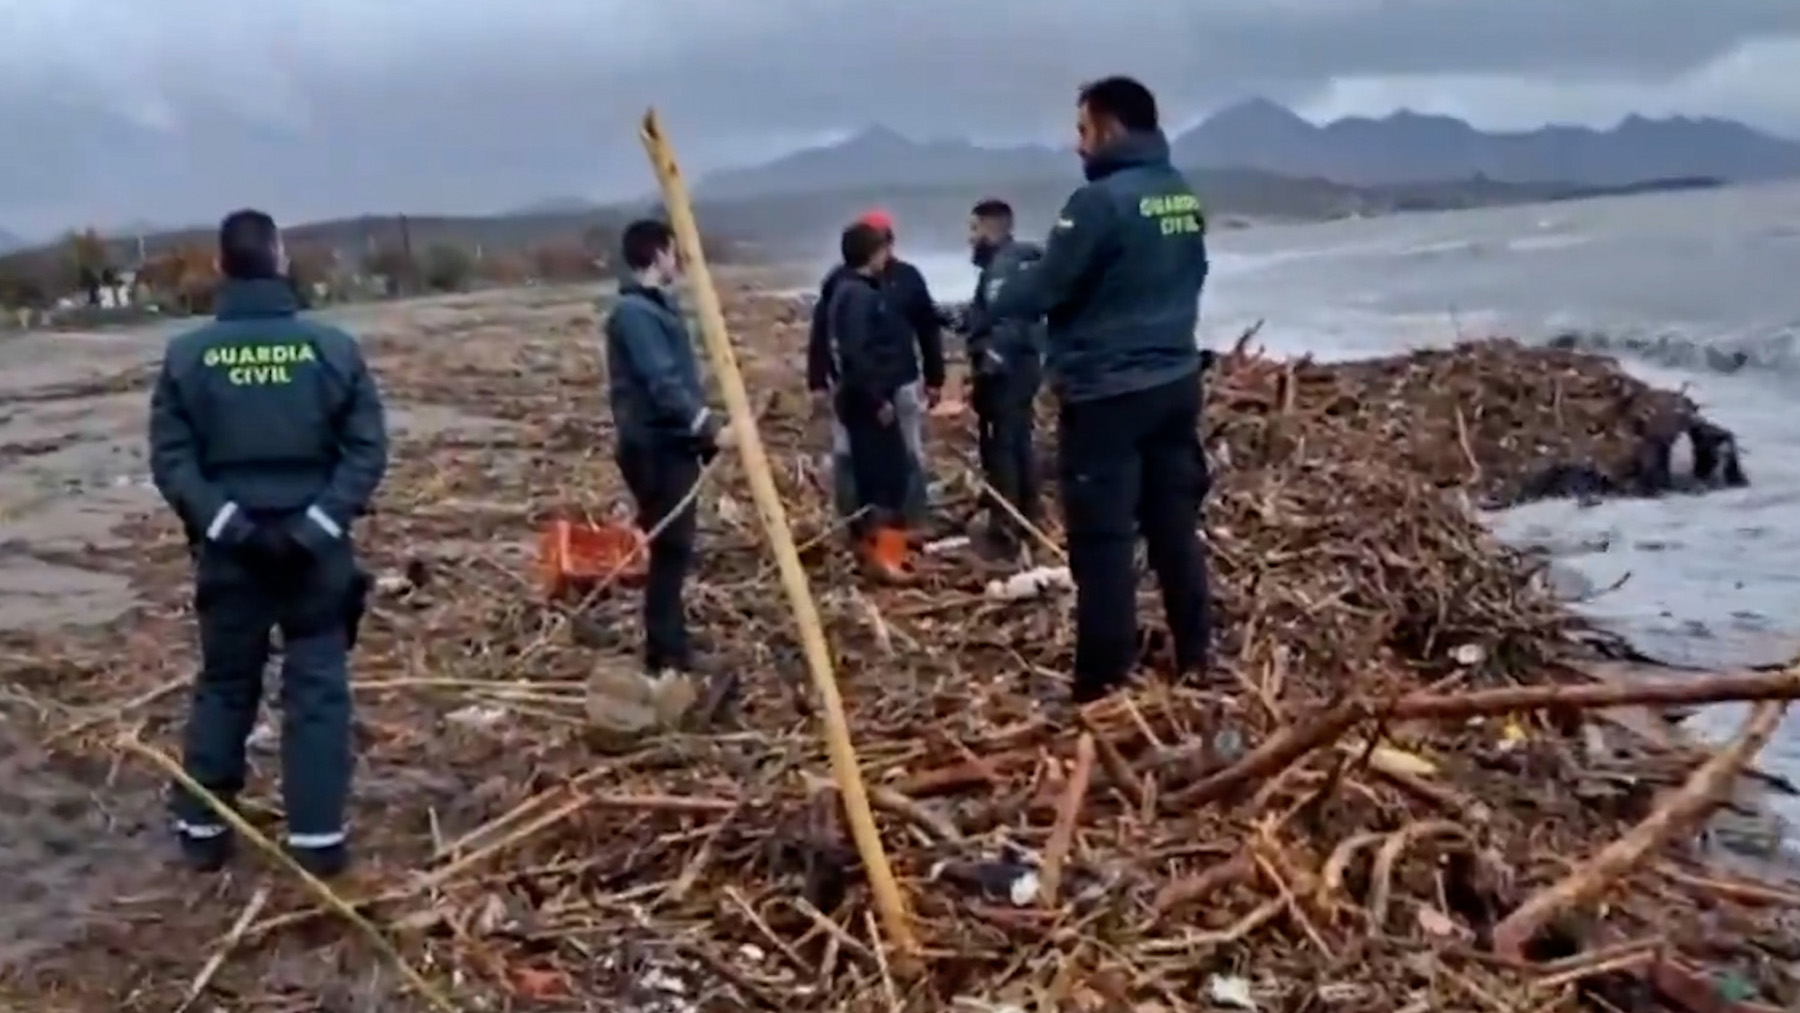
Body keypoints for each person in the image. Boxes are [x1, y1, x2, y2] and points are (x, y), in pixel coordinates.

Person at [148, 208, 388, 876]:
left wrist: (231, 527)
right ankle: (316, 842)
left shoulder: (186, 356)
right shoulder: (333, 348)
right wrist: (316, 527)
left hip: (230, 555)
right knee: (317, 687)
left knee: (226, 684)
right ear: (281, 260)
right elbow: (366, 450)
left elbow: (172, 460)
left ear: (221, 267)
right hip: (316, 557)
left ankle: (201, 829)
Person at [986, 76, 1212, 703]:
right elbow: (1194, 272)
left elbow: (1050, 284)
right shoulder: (1180, 194)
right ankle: (1197, 654)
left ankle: (1101, 681)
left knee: (1103, 540)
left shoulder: (1097, 204)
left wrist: (992, 306)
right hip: (1175, 379)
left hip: (1108, 392)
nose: (1077, 143)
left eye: (1083, 129)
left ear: (1110, 128)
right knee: (1173, 524)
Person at [605, 219, 735, 680]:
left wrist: (700, 433)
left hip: (671, 443)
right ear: (657, 253)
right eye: (672, 251)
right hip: (655, 447)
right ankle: (666, 652)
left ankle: (669, 641)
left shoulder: (656, 307)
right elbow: (661, 382)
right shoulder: (634, 314)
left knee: (673, 547)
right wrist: (707, 427)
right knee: (671, 548)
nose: (677, 259)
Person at [806, 209, 946, 527]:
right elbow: (827, 336)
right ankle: (858, 523)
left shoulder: (908, 277)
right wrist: (818, 379)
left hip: (901, 382)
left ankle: (908, 522)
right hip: (861, 389)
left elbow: (928, 327)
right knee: (851, 454)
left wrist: (934, 376)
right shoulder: (845, 286)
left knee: (907, 453)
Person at [826, 221, 917, 580]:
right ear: (872, 253)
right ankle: (886, 558)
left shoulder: (846, 290)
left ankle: (873, 552)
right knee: (888, 479)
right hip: (867, 400)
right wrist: (878, 398)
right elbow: (856, 353)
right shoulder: (858, 295)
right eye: (882, 250)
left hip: (859, 397)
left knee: (876, 477)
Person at [962, 198, 1047, 559]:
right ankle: (1028, 513)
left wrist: (991, 360)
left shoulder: (1004, 268)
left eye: (974, 229)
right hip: (1025, 365)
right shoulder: (1025, 261)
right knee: (1019, 441)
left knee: (1003, 447)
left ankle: (1006, 527)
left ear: (992, 228)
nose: (970, 238)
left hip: (1007, 371)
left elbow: (1008, 320)